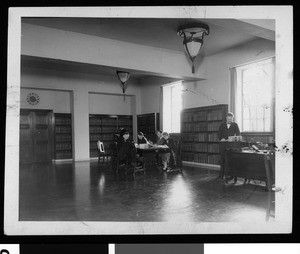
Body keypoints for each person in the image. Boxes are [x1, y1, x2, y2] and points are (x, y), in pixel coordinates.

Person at [217, 112, 241, 180]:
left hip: (231, 145)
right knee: (222, 161)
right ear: (226, 118)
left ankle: (231, 175)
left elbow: (238, 134)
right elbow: (219, 134)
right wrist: (221, 138)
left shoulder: (235, 125)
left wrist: (233, 138)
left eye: (231, 119)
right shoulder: (222, 125)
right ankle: (221, 175)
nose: (229, 120)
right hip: (223, 145)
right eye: (228, 119)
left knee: (231, 161)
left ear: (232, 118)